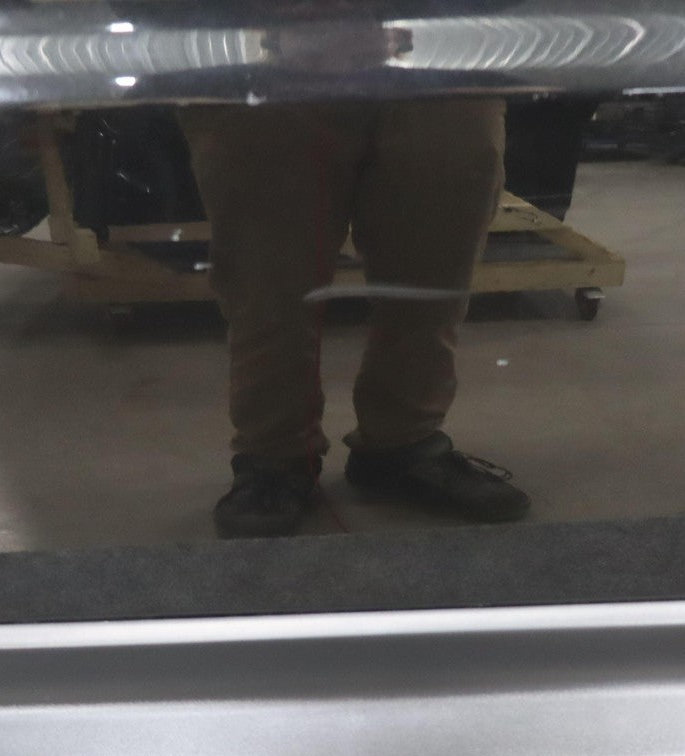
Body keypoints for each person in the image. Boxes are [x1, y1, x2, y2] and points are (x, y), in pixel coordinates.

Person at [179, 92, 531, 538]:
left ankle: (403, 442)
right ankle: (274, 456)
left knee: (434, 275)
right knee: (267, 287)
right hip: (263, 73)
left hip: (441, 69)